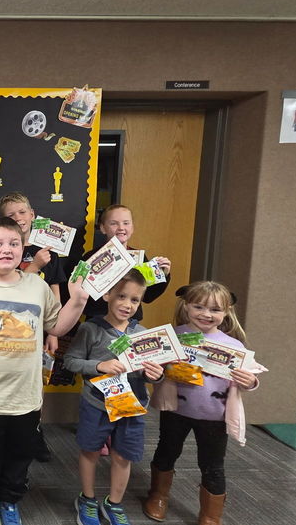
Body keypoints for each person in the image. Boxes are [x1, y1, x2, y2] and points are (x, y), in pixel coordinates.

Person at [0, 217, 87, 525]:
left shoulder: (36, 286)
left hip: (26, 398)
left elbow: (56, 326)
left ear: (24, 248)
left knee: (20, 456)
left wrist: (78, 301)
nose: (5, 250)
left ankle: (9, 501)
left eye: (13, 243)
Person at [145, 282, 261, 525]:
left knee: (212, 465)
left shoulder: (234, 346)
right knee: (166, 452)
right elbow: (155, 372)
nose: (206, 314)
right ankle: (158, 495)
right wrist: (154, 373)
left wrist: (250, 381)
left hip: (214, 416)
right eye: (198, 306)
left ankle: (210, 515)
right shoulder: (172, 336)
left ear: (227, 311)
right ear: (186, 306)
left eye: (215, 310)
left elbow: (249, 379)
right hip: (176, 409)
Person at [62, 269, 164, 525]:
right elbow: (71, 361)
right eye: (121, 297)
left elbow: (151, 375)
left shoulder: (143, 333)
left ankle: (114, 503)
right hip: (97, 403)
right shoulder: (90, 328)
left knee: (123, 455)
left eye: (134, 300)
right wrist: (99, 366)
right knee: (91, 451)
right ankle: (87, 498)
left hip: (133, 405)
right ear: (107, 295)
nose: (127, 305)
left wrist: (155, 375)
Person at [0, 192, 63, 462]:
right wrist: (34, 265)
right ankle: (6, 434)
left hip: (38, 332)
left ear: (33, 215)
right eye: (11, 215)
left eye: (22, 212)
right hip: (7, 330)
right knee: (8, 381)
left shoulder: (49, 251)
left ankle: (34, 433)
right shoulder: (4, 250)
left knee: (35, 385)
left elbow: (55, 292)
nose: (18, 218)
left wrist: (54, 331)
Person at [83, 204, 172, 322]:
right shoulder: (90, 258)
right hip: (98, 319)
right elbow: (81, 295)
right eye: (114, 223)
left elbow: (148, 296)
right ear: (103, 228)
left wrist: (163, 275)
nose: (121, 227)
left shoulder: (139, 258)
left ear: (132, 228)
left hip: (130, 321)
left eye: (126, 223)